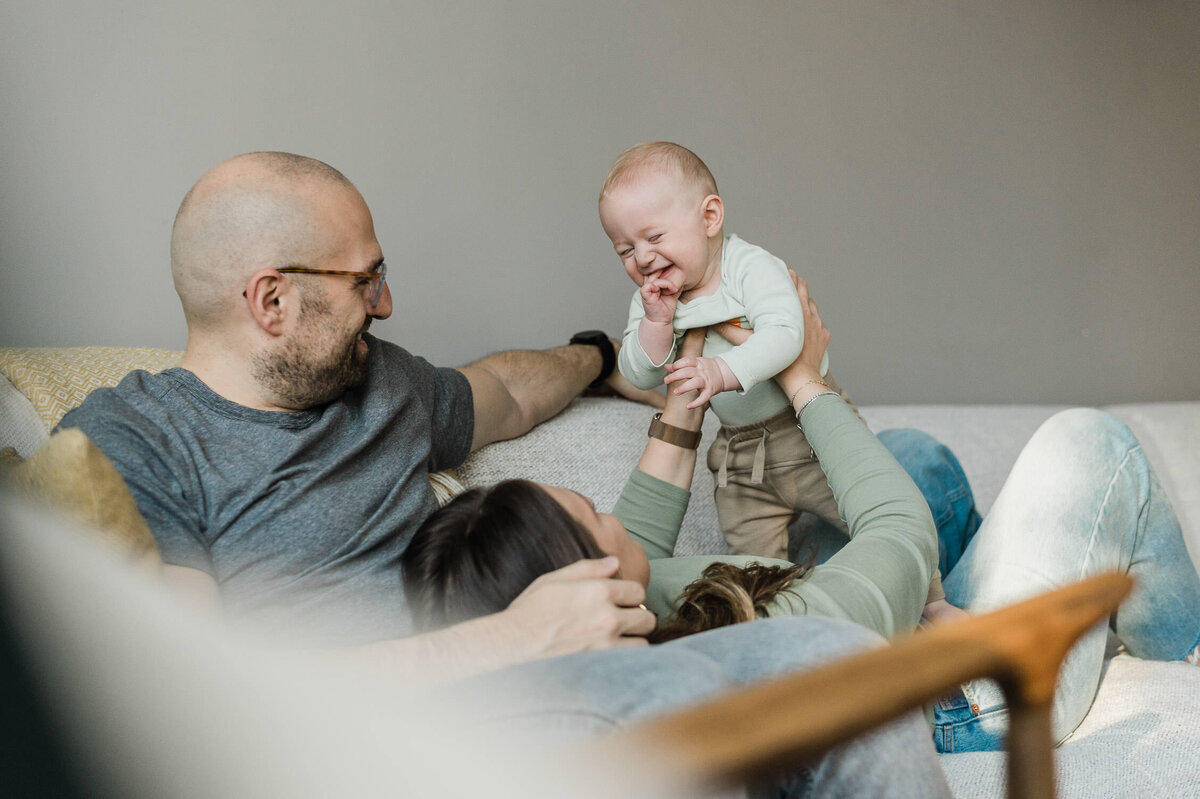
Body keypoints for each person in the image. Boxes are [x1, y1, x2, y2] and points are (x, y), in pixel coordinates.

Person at [56, 151, 954, 796]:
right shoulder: (136, 439)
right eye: (366, 280)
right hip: (409, 727)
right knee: (829, 655)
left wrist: (605, 356)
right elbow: (190, 701)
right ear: (271, 299)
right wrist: (509, 640)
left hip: (549, 671)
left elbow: (502, 394)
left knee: (836, 653)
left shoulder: (379, 380)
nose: (388, 302)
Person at [405, 275, 1200, 751]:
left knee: (915, 455)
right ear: (595, 582)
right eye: (591, 514)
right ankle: (1175, 649)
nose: (614, 516)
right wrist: (802, 377)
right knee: (1091, 442)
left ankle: (975, 600)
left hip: (878, 619)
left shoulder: (616, 623)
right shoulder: (764, 640)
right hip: (966, 705)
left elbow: (639, 533)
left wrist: (682, 396)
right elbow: (899, 531)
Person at [599, 141, 952, 620]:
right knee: (750, 556)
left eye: (654, 237)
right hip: (743, 459)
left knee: (874, 513)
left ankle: (934, 604)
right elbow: (637, 371)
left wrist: (722, 371)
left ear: (709, 218)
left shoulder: (748, 267)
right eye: (625, 249)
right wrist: (657, 325)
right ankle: (779, 618)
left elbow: (788, 335)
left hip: (805, 435)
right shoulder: (651, 301)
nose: (642, 257)